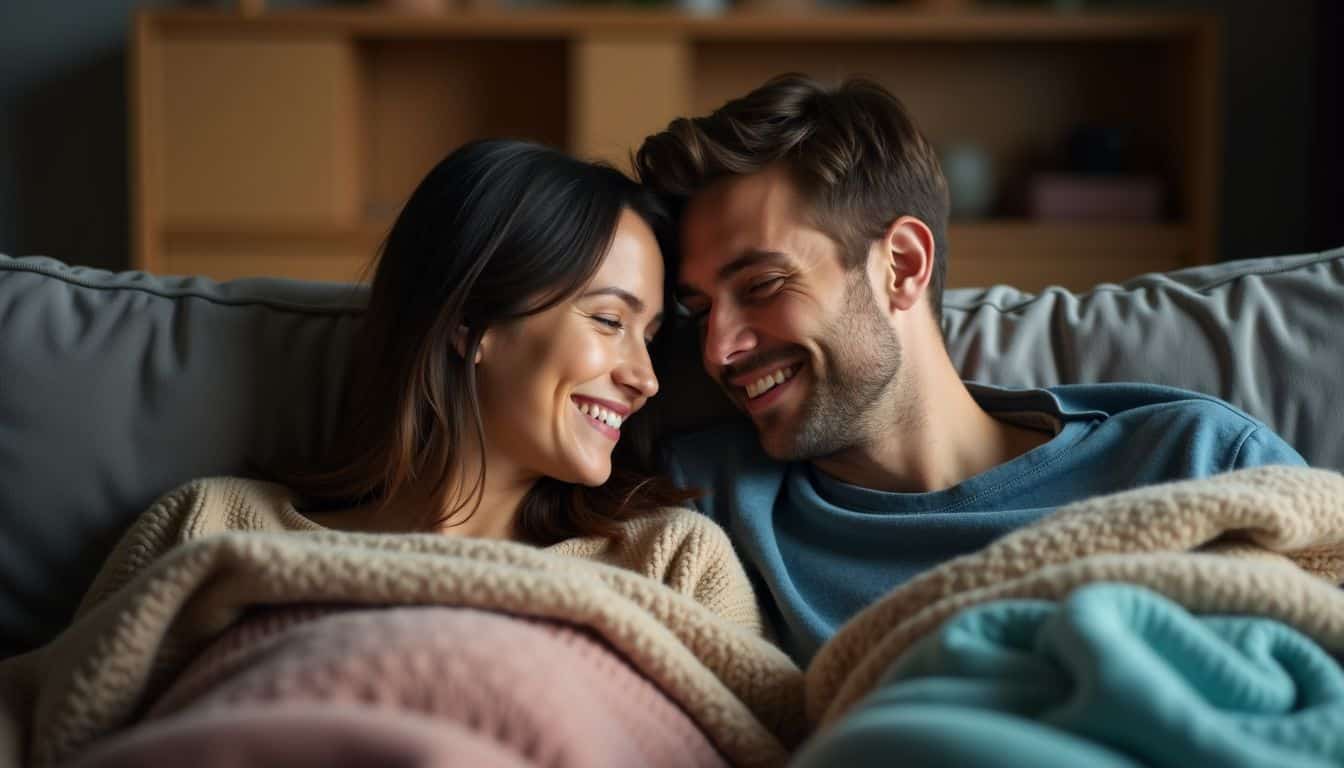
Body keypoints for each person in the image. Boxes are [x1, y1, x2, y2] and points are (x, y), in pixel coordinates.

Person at [633, 74, 1307, 665]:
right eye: (699, 311)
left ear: (901, 265)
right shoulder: (704, 500)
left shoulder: (1194, 461)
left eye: (761, 286)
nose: (718, 350)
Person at [83, 138, 761, 632]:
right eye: (610, 320)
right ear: (471, 321)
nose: (643, 379)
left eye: (648, 339)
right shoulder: (213, 528)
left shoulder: (670, 562)